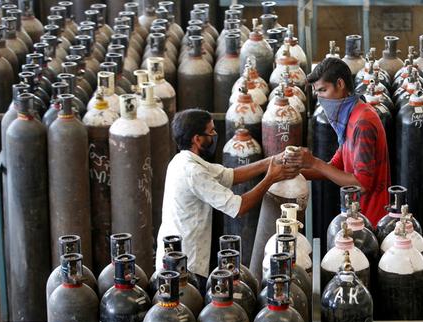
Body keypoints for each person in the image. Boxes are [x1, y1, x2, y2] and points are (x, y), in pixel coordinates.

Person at [156, 108, 300, 289]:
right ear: (197, 139)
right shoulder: (193, 172)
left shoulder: (182, 161)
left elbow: (230, 175)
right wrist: (271, 178)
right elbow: (239, 207)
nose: (215, 135)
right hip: (186, 263)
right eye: (211, 132)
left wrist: (272, 161)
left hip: (180, 256)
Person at [297, 56, 390, 225]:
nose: (320, 99)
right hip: (354, 214)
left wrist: (314, 162)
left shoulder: (363, 123)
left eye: (323, 90)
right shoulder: (350, 117)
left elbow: (361, 184)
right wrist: (294, 172)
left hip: (370, 221)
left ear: (340, 84)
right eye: (317, 93)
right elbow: (334, 167)